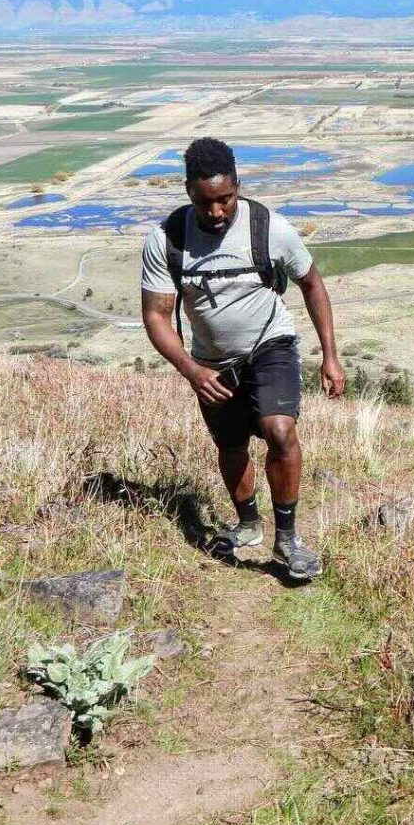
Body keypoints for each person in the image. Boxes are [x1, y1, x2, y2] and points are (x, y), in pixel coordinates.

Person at [141, 137, 345, 579]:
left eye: (225, 199)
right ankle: (248, 523)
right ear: (188, 192)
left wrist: (330, 355)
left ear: (238, 185)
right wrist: (193, 370)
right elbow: (156, 316)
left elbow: (312, 283)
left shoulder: (270, 228)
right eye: (204, 202)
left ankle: (288, 540)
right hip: (211, 363)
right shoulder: (167, 239)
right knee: (231, 447)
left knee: (279, 429)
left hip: (270, 345)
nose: (216, 212)